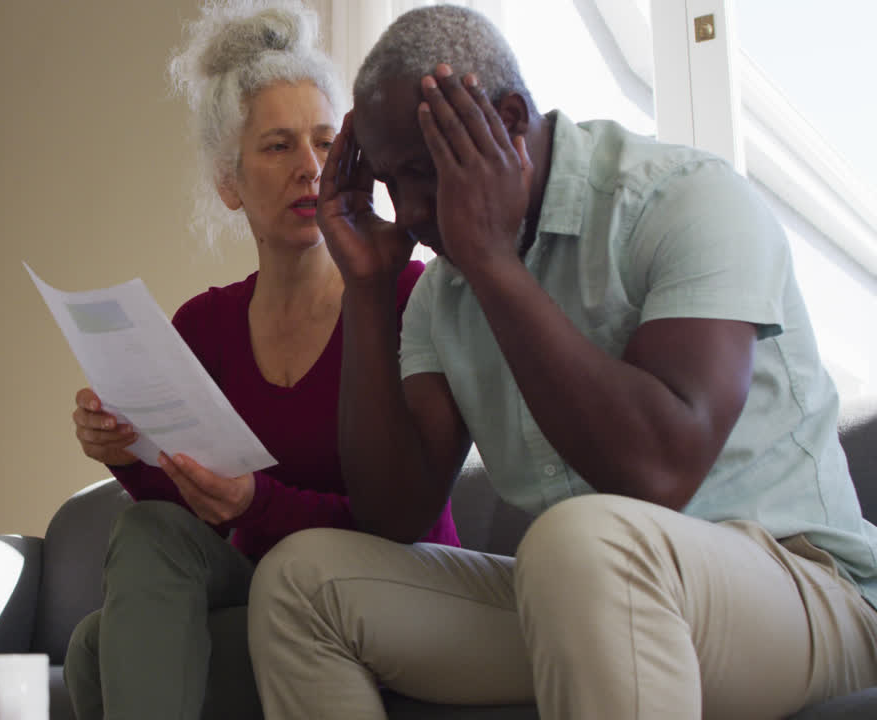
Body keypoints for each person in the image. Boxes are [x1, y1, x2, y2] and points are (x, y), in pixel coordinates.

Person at [245, 5, 877, 719]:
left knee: (578, 546)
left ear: (510, 120)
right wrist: (367, 288)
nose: (412, 212)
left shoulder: (683, 199)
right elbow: (394, 513)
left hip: (806, 592)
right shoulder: (441, 295)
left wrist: (492, 261)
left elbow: (658, 471)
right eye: (393, 182)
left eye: (426, 171)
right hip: (588, 593)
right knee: (300, 582)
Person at [62, 3, 460, 719]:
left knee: (98, 653)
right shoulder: (204, 325)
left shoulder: (404, 294)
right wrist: (125, 452)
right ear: (229, 182)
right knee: (125, 574)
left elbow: (408, 516)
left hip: (397, 591)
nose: (310, 168)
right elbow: (185, 525)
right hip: (270, 595)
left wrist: (259, 504)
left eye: (326, 142)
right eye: (278, 147)